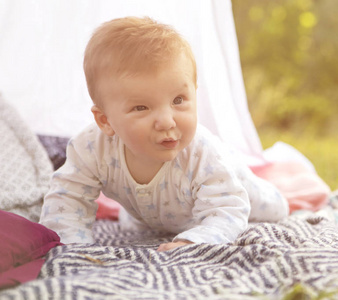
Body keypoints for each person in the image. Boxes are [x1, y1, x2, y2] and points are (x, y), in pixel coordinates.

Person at [39, 16, 289, 251]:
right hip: (154, 212)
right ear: (105, 121)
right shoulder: (92, 148)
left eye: (178, 100)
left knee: (276, 208)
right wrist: (71, 247)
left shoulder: (202, 153)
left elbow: (226, 208)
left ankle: (280, 181)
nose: (167, 121)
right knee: (137, 220)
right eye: (141, 107)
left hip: (230, 184)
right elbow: (66, 200)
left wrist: (196, 239)